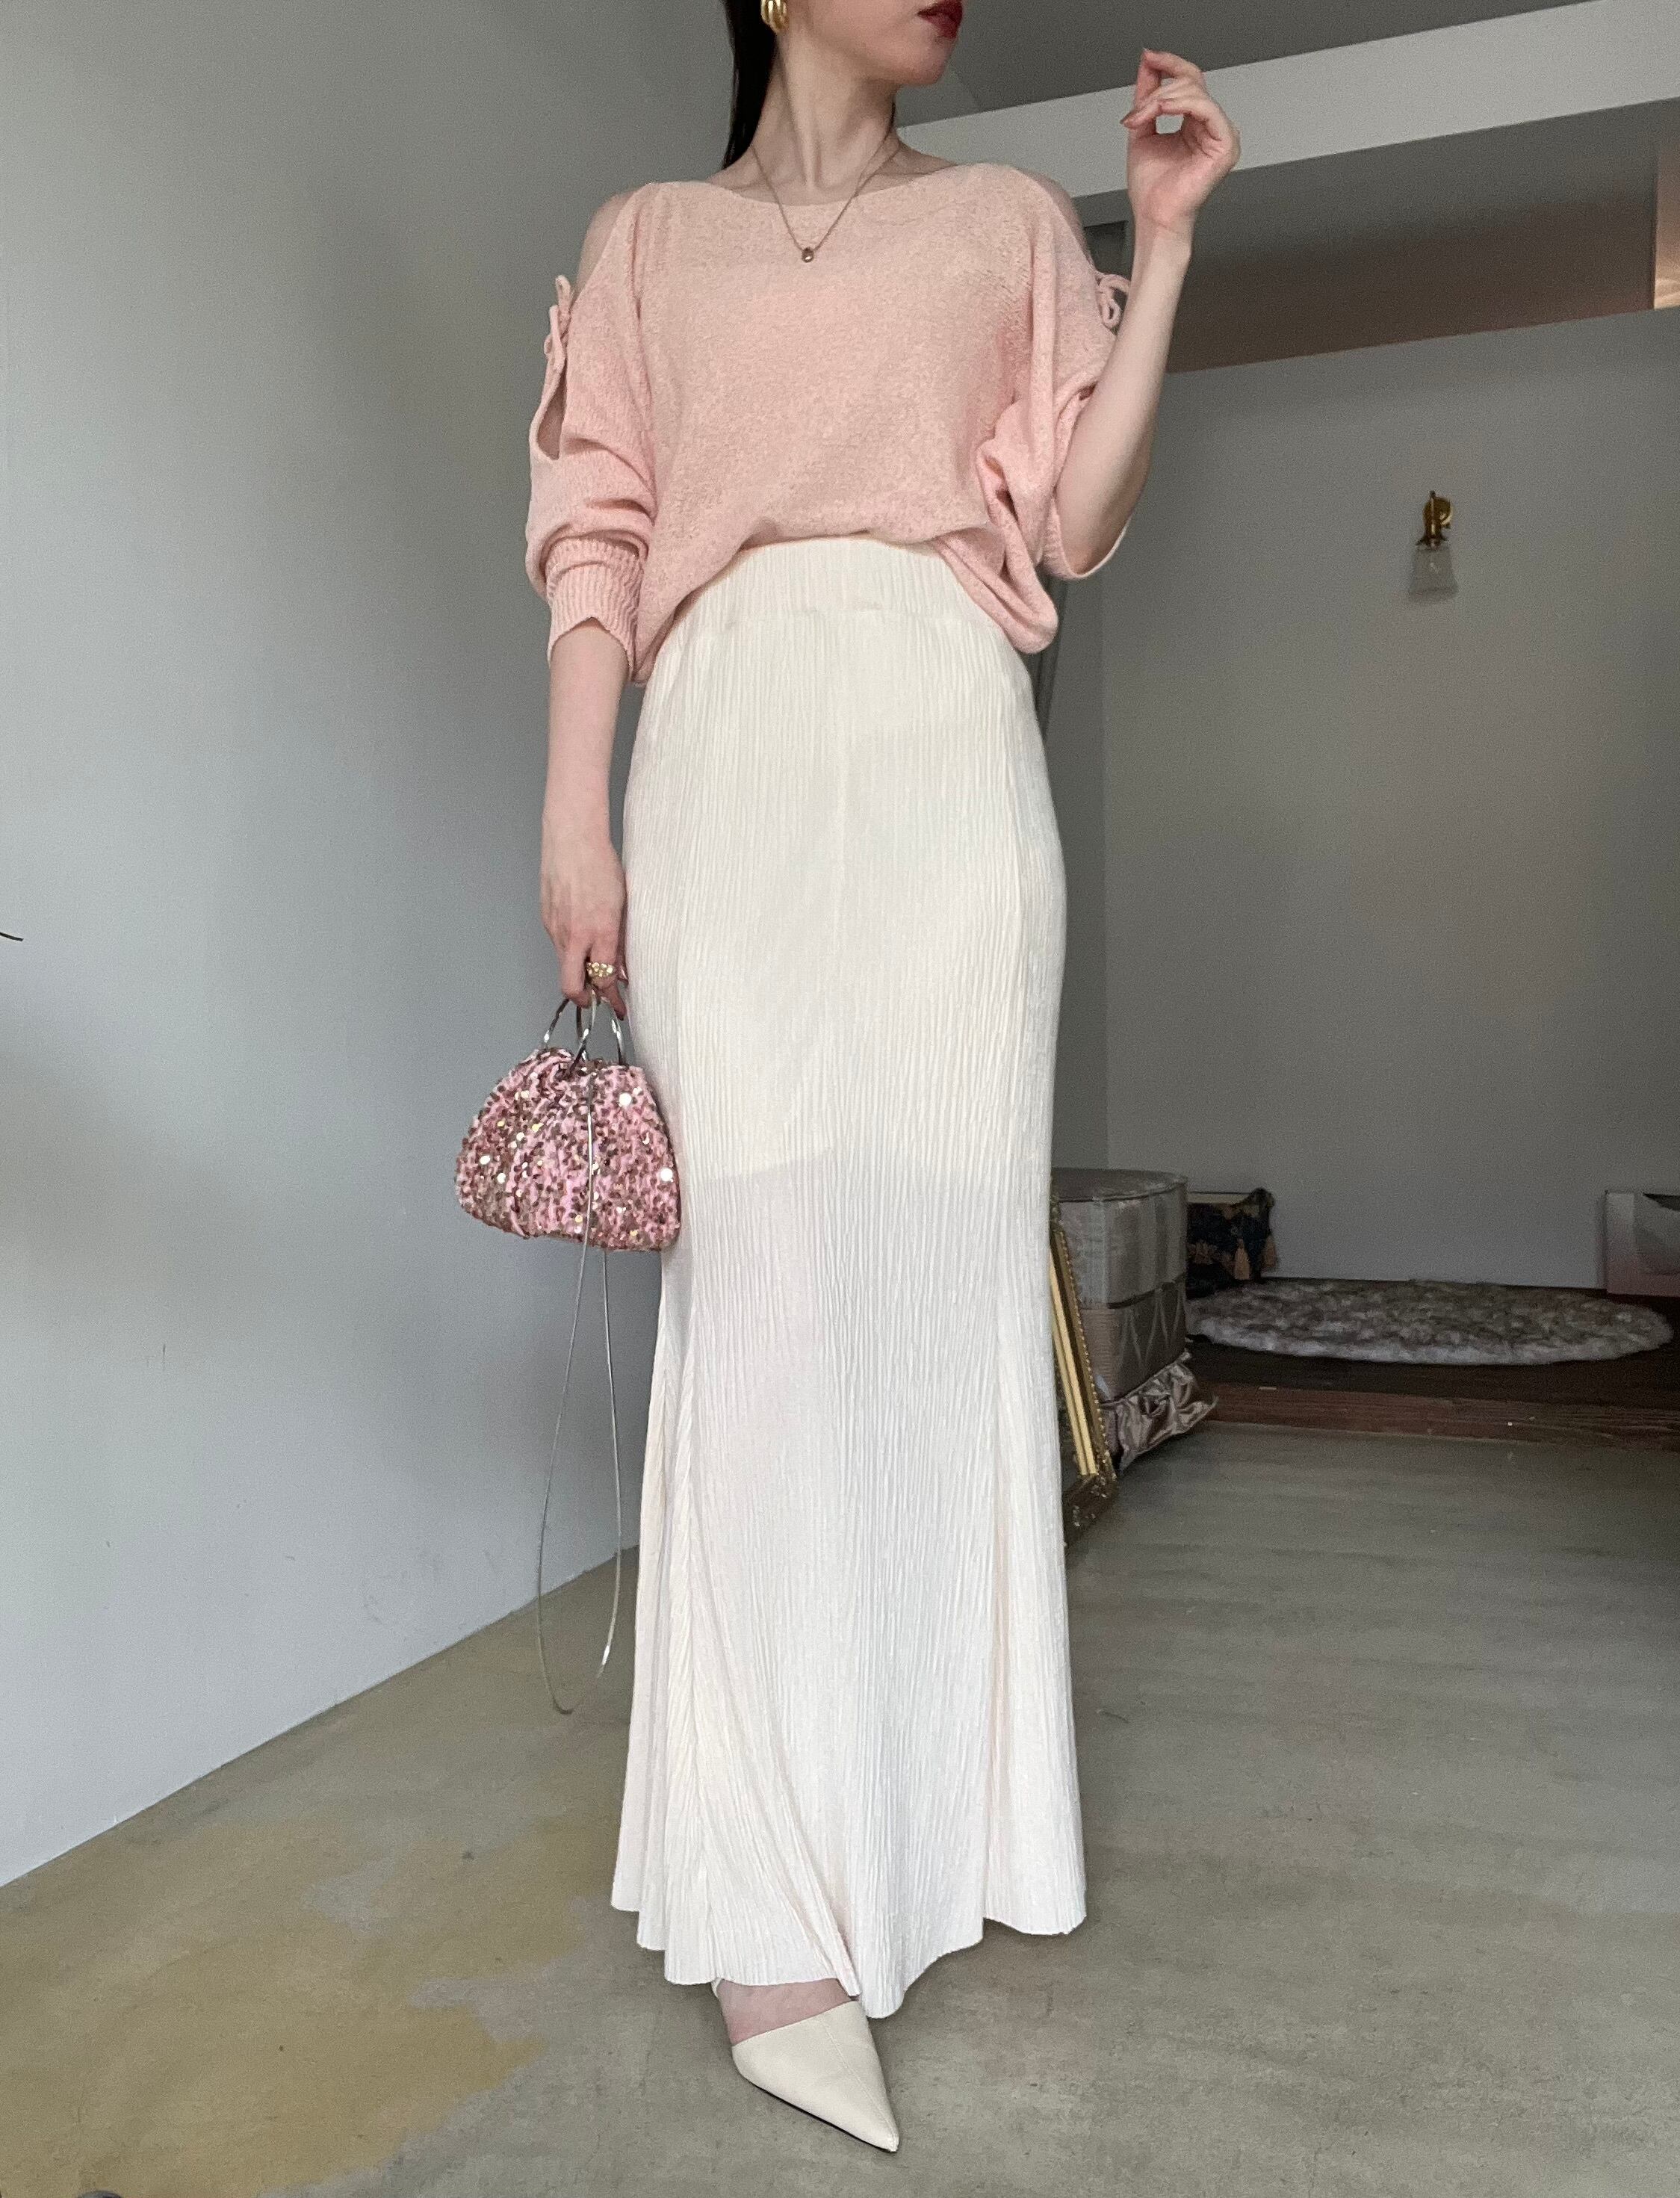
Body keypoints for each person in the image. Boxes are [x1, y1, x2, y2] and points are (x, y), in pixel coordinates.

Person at [525, 0, 1238, 2152]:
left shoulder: (1008, 219)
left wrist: (1163, 247)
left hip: (947, 767)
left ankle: (929, 1831)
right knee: (758, 1308)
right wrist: (576, 810)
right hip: (726, 761)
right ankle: (769, 1912)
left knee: (932, 1307)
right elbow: (598, 529)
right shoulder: (648, 241)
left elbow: (1078, 521)